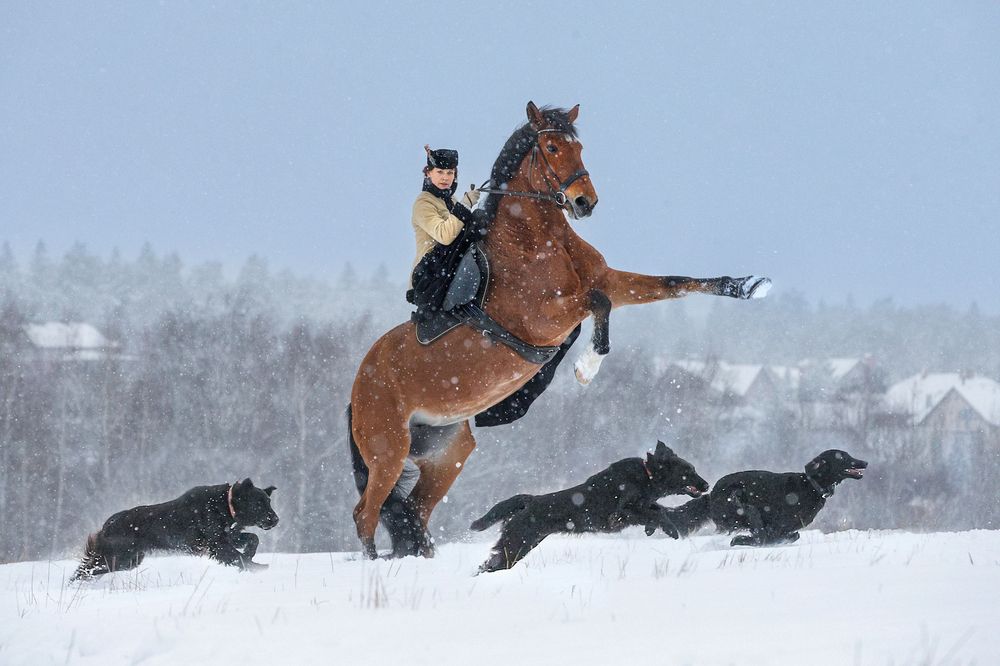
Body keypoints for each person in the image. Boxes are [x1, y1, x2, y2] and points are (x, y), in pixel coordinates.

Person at [410, 145, 480, 283]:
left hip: (450, 269)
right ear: (428, 173)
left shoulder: (450, 199)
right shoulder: (423, 203)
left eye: (450, 173)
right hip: (429, 277)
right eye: (440, 172)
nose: (445, 178)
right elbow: (445, 236)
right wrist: (465, 205)